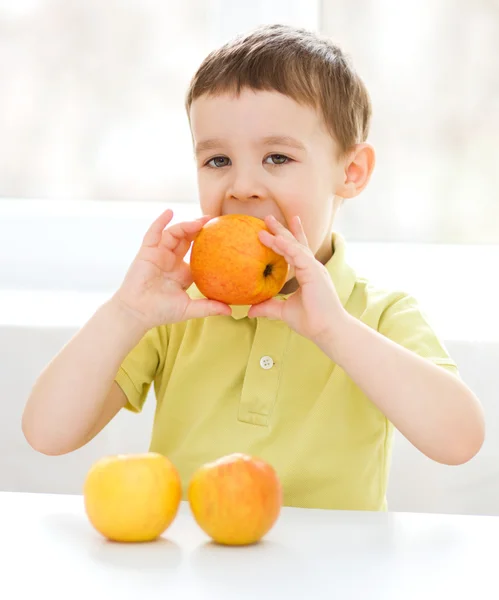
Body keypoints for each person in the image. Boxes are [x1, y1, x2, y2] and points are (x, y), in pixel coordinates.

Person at [22, 24, 484, 511]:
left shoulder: (379, 315)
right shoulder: (176, 314)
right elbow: (47, 434)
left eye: (277, 157)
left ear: (350, 173)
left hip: (334, 577)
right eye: (218, 160)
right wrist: (125, 313)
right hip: (194, 572)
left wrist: (335, 330)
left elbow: (458, 442)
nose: (243, 186)